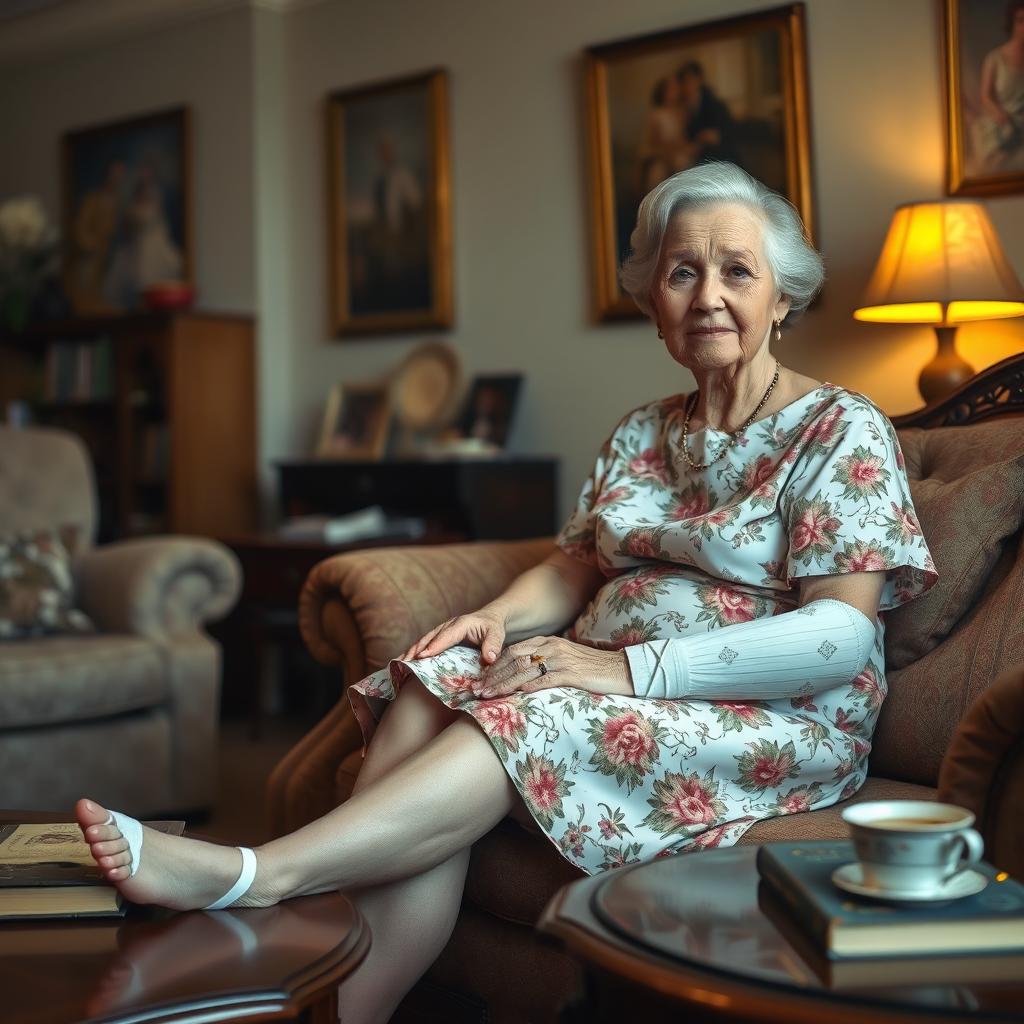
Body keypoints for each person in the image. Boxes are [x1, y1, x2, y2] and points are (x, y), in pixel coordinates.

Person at [75, 162, 936, 1024]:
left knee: (526, 710)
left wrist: (615, 672)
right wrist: (492, 618)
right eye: (682, 272)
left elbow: (840, 635)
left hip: (772, 713)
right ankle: (348, 1012)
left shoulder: (839, 426)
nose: (708, 295)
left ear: (783, 298)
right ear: (654, 303)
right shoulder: (642, 430)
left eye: (737, 271)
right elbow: (572, 567)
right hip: (610, 675)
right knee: (433, 679)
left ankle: (258, 877)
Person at [971, 0, 1024, 173]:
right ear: (1012, 24)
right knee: (997, 154)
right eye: (1020, 21)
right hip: (1001, 120)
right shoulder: (994, 58)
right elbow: (985, 97)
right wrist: (1001, 116)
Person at [676, 60, 742, 166]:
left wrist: (713, 136)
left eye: (691, 80)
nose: (688, 85)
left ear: (699, 80)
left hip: (720, 157)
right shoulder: (683, 107)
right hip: (698, 157)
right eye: (685, 82)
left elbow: (728, 132)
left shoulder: (714, 104)